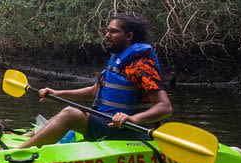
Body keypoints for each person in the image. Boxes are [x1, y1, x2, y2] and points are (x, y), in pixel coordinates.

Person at [11, 14, 172, 149]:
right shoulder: (117, 61)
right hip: (109, 124)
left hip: (129, 129)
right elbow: (95, 91)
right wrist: (56, 92)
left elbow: (164, 107)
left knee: (70, 114)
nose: (107, 35)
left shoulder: (141, 66)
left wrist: (133, 119)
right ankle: (26, 138)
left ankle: (16, 152)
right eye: (107, 31)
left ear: (129, 36)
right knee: (75, 109)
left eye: (113, 31)